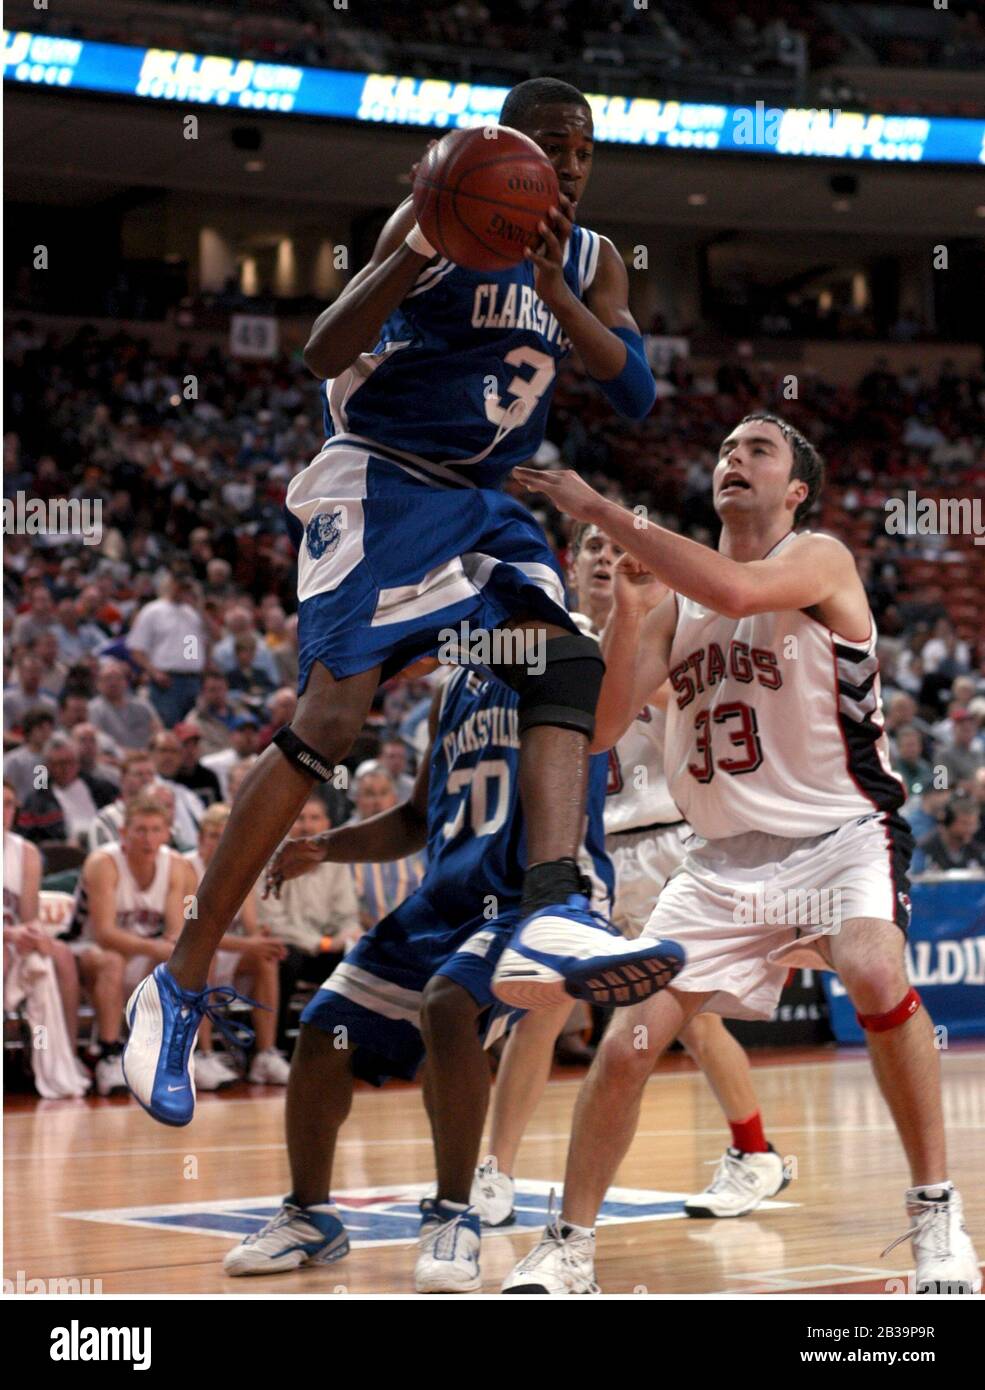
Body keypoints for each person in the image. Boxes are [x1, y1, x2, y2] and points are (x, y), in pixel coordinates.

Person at [125, 76, 682, 1127]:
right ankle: (184, 971)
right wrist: (419, 245)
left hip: (485, 499)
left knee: (561, 659)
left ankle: (553, 905)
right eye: (550, 143)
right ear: (506, 144)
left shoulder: (595, 255)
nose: (567, 163)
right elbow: (323, 349)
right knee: (331, 722)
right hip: (380, 478)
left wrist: (559, 292)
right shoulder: (439, 207)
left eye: (584, 149)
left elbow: (635, 389)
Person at [502, 411, 980, 1293]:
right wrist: (631, 612)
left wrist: (600, 509)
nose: (733, 459)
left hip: (841, 834)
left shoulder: (819, 559)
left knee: (875, 973)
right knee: (629, 1043)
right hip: (719, 860)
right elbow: (606, 726)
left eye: (756, 450)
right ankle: (567, 1245)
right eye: (724, 448)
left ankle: (937, 1219)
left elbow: (734, 593)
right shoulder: (675, 602)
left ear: (794, 489)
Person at [223, 661, 618, 1291]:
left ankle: (453, 1215)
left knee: (447, 1004)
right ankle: (311, 1215)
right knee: (326, 1026)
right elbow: (415, 818)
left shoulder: (570, 655)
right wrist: (329, 847)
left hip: (532, 893)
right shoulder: (452, 689)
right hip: (446, 898)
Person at [474, 523, 786, 1228]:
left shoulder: (667, 638)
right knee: (539, 1007)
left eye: (623, 553)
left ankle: (754, 1151)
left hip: (661, 845)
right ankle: (493, 1171)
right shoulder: (545, 641)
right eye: (591, 549)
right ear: (569, 563)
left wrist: (630, 644)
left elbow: (689, 706)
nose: (606, 560)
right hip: (579, 849)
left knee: (691, 1020)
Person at [63, 793, 190, 1097]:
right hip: (85, 949)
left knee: (173, 964)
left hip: (142, 949)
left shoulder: (176, 866)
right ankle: (108, 1054)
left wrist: (165, 949)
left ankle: (169, 1057)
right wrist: (157, 948)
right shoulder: (103, 862)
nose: (148, 838)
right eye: (141, 830)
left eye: (156, 830)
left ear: (167, 833)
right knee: (113, 961)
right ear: (124, 833)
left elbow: (173, 932)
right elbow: (104, 933)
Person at [185, 804, 290, 1089]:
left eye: (225, 836)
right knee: (203, 958)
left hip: (223, 952)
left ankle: (265, 1055)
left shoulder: (240, 871)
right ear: (200, 839)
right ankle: (203, 1054)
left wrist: (262, 942)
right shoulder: (186, 869)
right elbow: (194, 932)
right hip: (184, 954)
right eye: (212, 835)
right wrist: (251, 943)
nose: (219, 842)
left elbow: (251, 927)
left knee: (266, 959)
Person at [256, 795, 361, 1050]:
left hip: (326, 947)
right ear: (288, 824)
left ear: (326, 824)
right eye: (300, 819)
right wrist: (322, 943)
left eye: (315, 819)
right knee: (283, 960)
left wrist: (346, 937)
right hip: (290, 946)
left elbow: (347, 916)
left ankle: (344, 1048)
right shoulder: (270, 863)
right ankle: (275, 1050)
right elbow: (272, 922)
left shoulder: (337, 863)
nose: (307, 826)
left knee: (358, 960)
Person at [127, 570, 208, 726]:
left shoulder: (192, 613)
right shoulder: (153, 611)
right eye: (179, 586)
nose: (182, 590)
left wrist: (199, 604)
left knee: (192, 729)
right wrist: (154, 672)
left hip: (193, 680)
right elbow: (136, 649)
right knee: (168, 725)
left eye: (186, 587)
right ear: (170, 585)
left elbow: (198, 647)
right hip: (166, 680)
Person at [88, 657, 161, 751]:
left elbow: (158, 731)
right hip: (113, 758)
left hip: (148, 756)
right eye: (107, 678)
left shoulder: (143, 705)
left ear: (126, 682)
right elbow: (96, 739)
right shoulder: (93, 709)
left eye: (118, 678)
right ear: (98, 684)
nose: (113, 683)